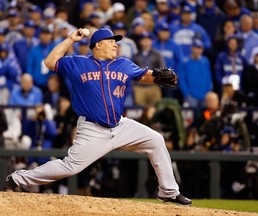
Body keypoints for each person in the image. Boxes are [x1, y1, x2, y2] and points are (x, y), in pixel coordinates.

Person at [3, 27, 191, 206]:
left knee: (156, 140)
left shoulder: (123, 64)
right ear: (98, 45)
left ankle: (168, 192)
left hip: (120, 126)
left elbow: (144, 75)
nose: (116, 44)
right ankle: (17, 178)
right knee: (70, 167)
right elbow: (50, 62)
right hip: (92, 130)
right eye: (111, 41)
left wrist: (158, 76)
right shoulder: (78, 63)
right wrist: (71, 39)